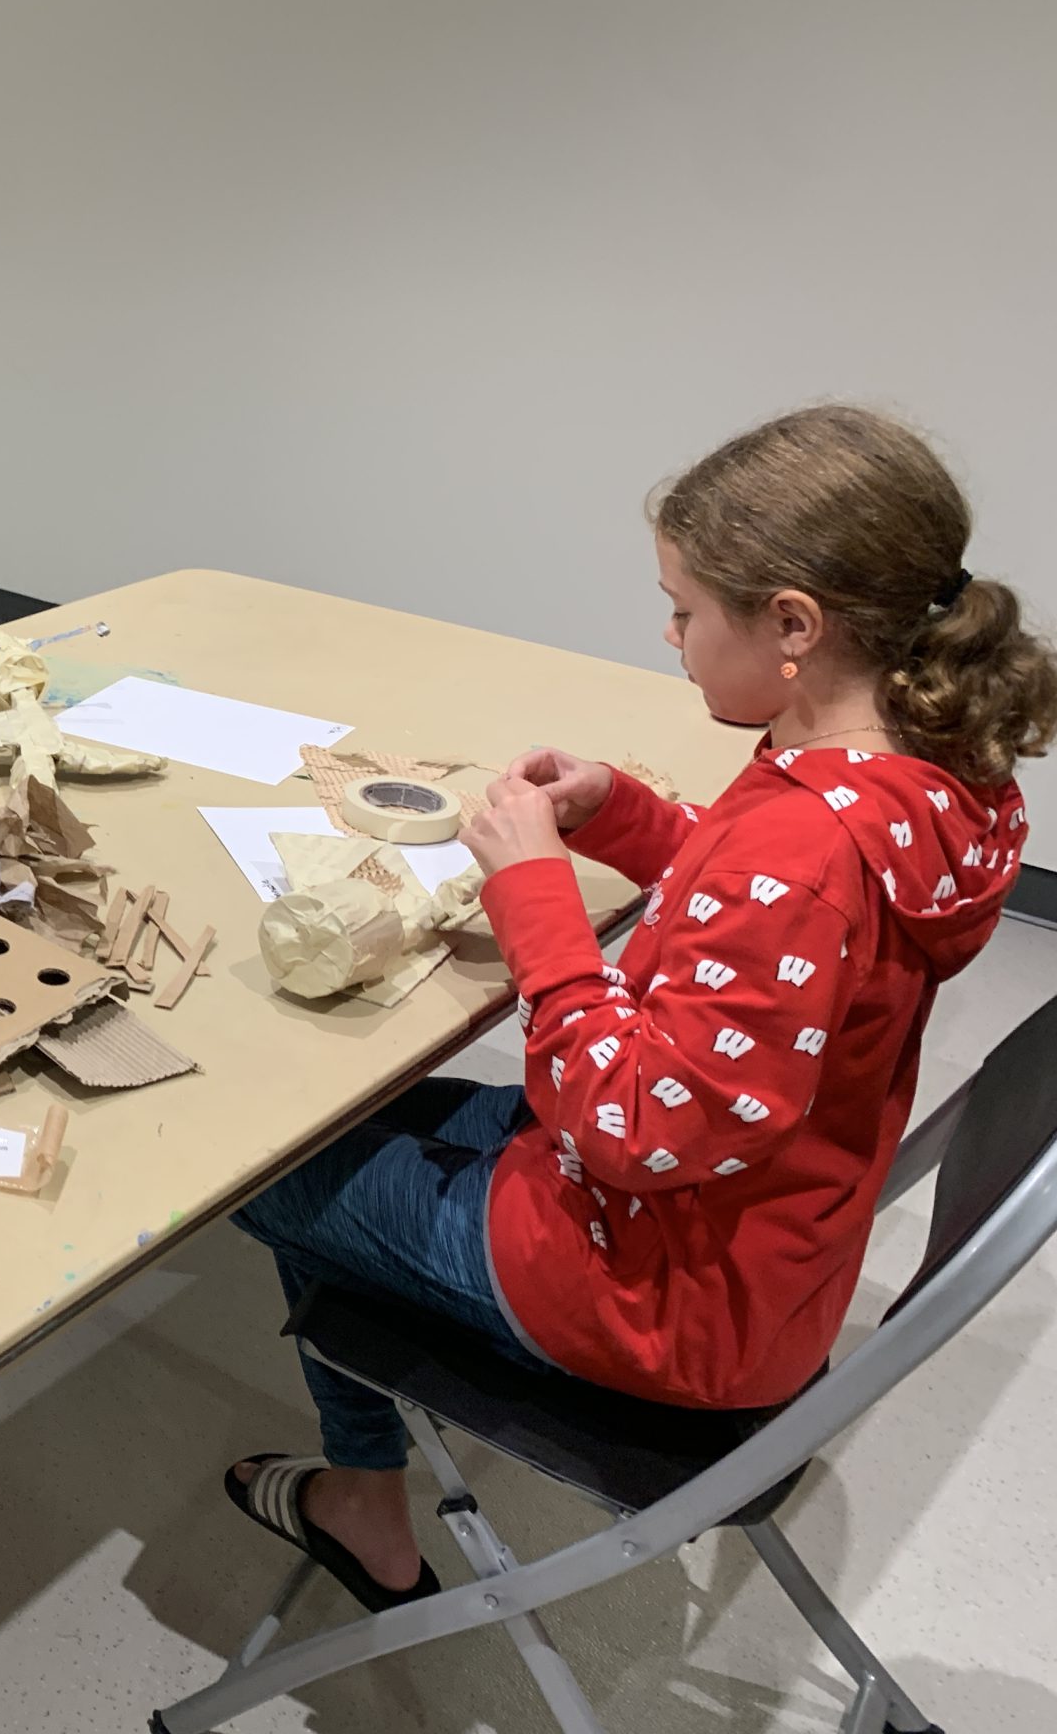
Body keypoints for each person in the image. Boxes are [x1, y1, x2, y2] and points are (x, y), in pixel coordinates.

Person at [224, 405, 1057, 1614]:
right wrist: (620, 812)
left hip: (655, 1295)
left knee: (265, 1169)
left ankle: (363, 1496)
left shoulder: (807, 843)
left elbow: (623, 1121)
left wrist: (534, 896)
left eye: (682, 608)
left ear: (790, 626)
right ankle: (374, 1420)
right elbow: (757, 926)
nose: (665, 634)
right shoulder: (911, 774)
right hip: (766, 1241)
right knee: (366, 1123)